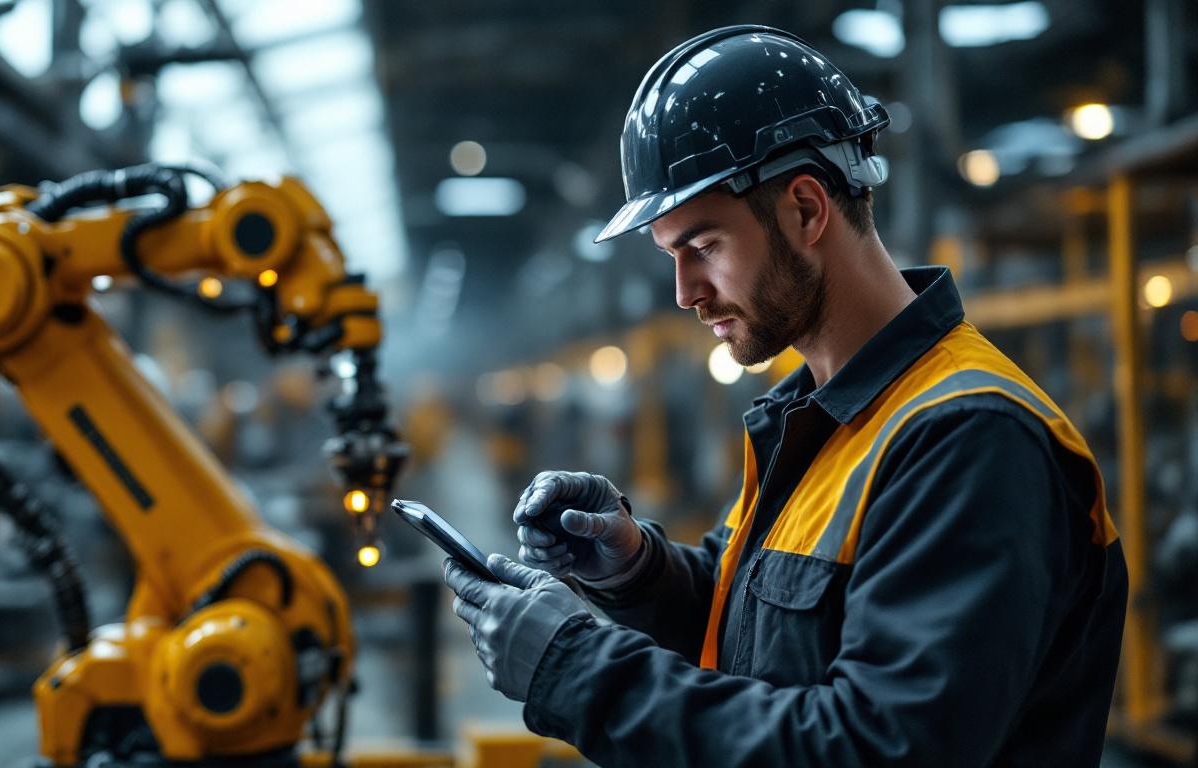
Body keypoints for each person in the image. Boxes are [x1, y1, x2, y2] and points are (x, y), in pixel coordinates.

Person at [443, 25, 1127, 767]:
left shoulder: (967, 437)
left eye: (702, 248)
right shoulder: (823, 419)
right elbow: (763, 630)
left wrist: (576, 670)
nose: (685, 293)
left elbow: (876, 748)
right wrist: (636, 568)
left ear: (806, 211)